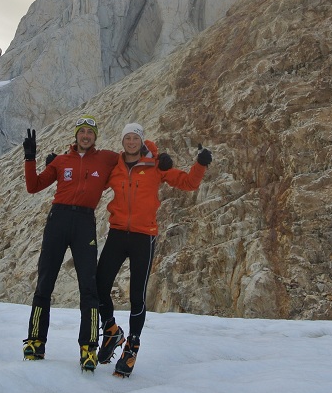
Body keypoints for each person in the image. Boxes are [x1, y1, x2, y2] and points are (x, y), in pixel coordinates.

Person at [96, 123, 212, 377]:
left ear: (141, 141)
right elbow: (90, 181)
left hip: (143, 237)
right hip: (117, 233)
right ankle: (111, 331)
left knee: (137, 295)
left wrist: (200, 164)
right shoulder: (114, 166)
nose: (130, 142)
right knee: (98, 286)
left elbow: (188, 183)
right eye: (126, 137)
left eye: (135, 138)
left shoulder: (155, 166)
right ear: (122, 141)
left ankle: (132, 347)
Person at [21, 115, 118, 371]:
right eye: (82, 131)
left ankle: (89, 348)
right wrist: (30, 159)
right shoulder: (61, 161)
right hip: (58, 219)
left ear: (95, 136)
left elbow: (132, 159)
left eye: (90, 132)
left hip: (84, 222)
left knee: (89, 286)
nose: (86, 135)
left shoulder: (107, 158)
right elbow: (34, 186)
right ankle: (35, 341)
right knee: (45, 282)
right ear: (75, 135)